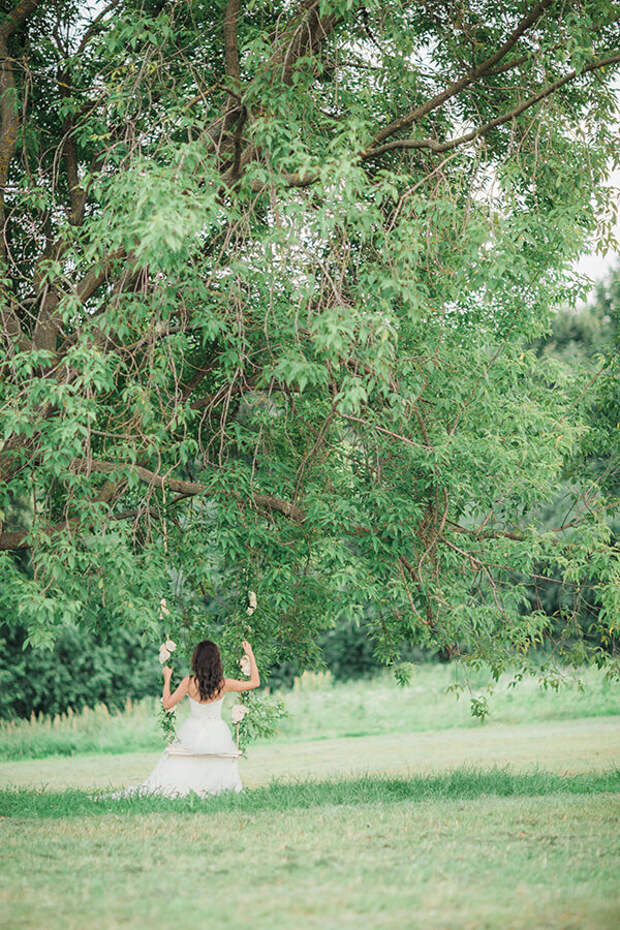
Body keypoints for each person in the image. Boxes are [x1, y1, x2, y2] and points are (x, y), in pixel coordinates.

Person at [123, 639, 259, 798]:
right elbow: (255, 682)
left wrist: (167, 679)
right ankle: (212, 788)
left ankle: (190, 787)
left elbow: (167, 704)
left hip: (192, 730)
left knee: (185, 761)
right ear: (217, 661)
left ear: (196, 661)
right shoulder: (224, 684)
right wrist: (250, 654)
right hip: (217, 732)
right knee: (216, 761)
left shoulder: (189, 683)